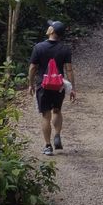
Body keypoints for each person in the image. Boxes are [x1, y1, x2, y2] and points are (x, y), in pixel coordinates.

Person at [28, 20, 76, 156]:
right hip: (58, 85)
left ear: (52, 31)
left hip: (43, 85)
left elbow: (32, 68)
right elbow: (69, 70)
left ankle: (48, 146)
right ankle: (58, 134)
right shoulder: (65, 49)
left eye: (50, 26)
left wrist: (30, 84)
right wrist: (73, 88)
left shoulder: (38, 47)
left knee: (45, 115)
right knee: (57, 110)